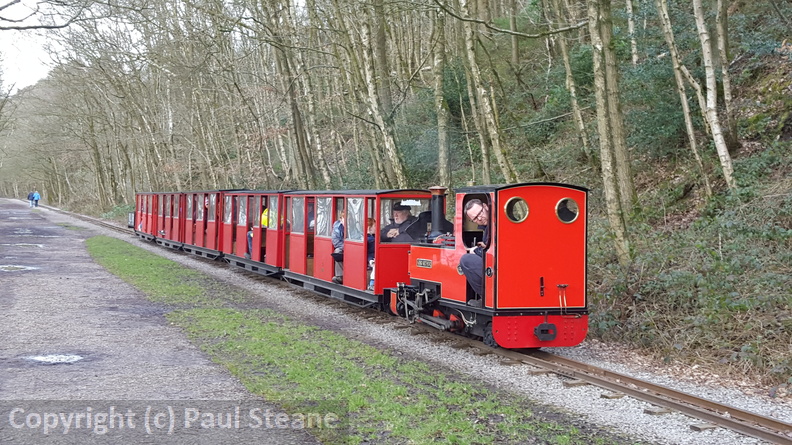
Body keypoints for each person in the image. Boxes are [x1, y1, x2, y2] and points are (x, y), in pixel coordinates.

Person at [458, 199, 490, 307]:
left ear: (485, 206)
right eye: (475, 218)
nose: (479, 218)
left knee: (466, 260)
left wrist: (475, 250)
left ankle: (487, 298)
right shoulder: (488, 227)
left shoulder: (495, 224)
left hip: (500, 267)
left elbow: (493, 250)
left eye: (480, 213)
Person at [331, 212, 344, 284]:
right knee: (337, 252)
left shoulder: (354, 227)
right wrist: (347, 247)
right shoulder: (337, 229)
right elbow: (335, 242)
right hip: (342, 247)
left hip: (353, 247)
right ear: (341, 219)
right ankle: (340, 276)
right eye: (345, 219)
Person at [366, 218, 376, 290]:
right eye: (375, 226)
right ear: (369, 228)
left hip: (370, 257)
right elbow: (371, 252)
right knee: (375, 266)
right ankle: (372, 283)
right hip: (371, 258)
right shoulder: (371, 240)